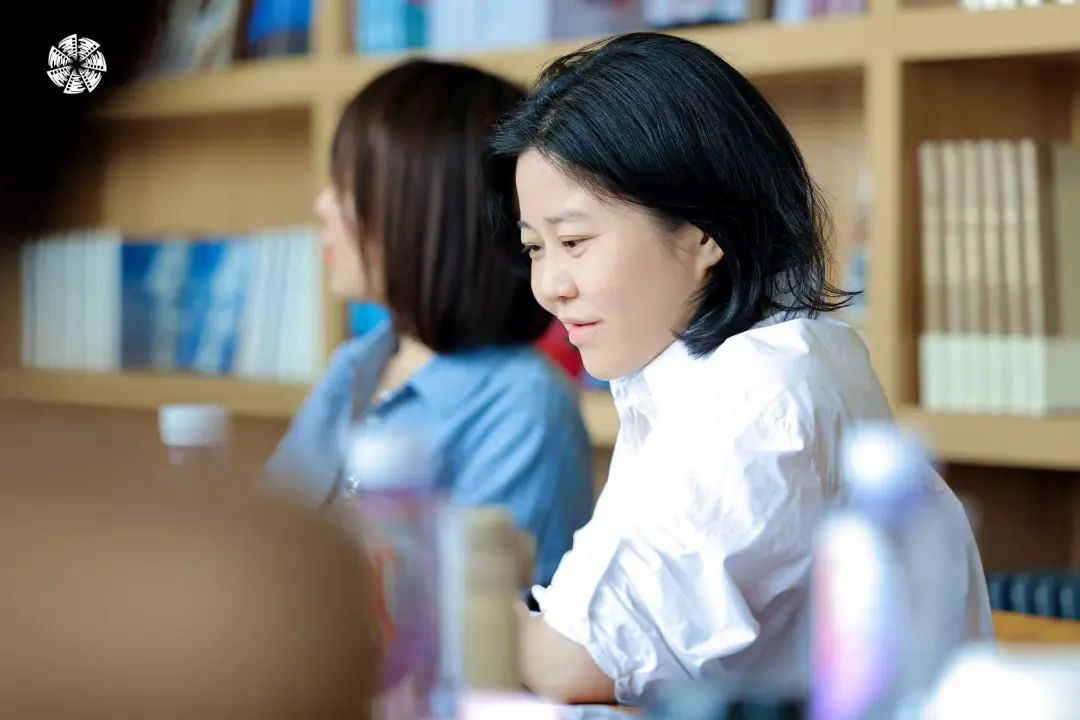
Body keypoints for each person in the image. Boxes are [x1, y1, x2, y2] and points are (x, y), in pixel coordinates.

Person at [484, 32, 994, 706]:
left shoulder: (762, 391)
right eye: (535, 248)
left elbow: (577, 659)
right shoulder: (701, 374)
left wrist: (450, 590)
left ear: (703, 231)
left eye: (574, 241)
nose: (551, 286)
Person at [266, 60, 594, 586]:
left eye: (348, 183)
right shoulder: (358, 365)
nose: (323, 203)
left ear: (430, 209)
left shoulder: (524, 404)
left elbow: (478, 618)